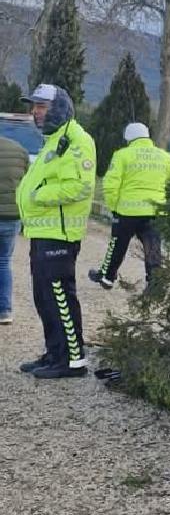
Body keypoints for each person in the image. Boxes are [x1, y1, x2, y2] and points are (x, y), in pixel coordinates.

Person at [15, 83, 96, 378]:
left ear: (59, 107)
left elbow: (81, 186)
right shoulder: (53, 140)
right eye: (33, 106)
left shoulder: (77, 139)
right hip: (43, 232)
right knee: (44, 297)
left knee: (60, 296)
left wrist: (38, 195)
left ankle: (72, 362)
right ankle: (55, 353)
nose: (35, 112)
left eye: (41, 106)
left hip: (59, 234)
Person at [90, 122, 170, 289]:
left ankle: (107, 277)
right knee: (153, 247)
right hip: (155, 211)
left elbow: (110, 184)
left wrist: (114, 207)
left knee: (117, 245)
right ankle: (154, 284)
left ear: (128, 138)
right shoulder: (165, 157)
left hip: (127, 211)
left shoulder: (122, 155)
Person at [0, 130, 30, 325]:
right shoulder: (20, 150)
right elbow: (28, 182)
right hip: (12, 216)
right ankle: (4, 311)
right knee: (3, 262)